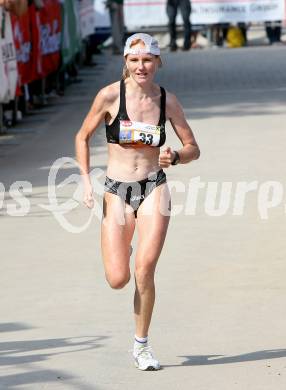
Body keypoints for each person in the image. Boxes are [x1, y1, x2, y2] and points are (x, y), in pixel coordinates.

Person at [75, 33, 200, 371]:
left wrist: (175, 156)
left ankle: (141, 345)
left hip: (153, 188)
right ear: (125, 62)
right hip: (116, 190)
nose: (141, 66)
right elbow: (82, 136)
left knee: (145, 270)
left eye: (148, 60)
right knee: (118, 278)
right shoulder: (109, 96)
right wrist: (87, 181)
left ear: (158, 62)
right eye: (134, 60)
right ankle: (122, 247)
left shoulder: (167, 101)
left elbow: (193, 148)